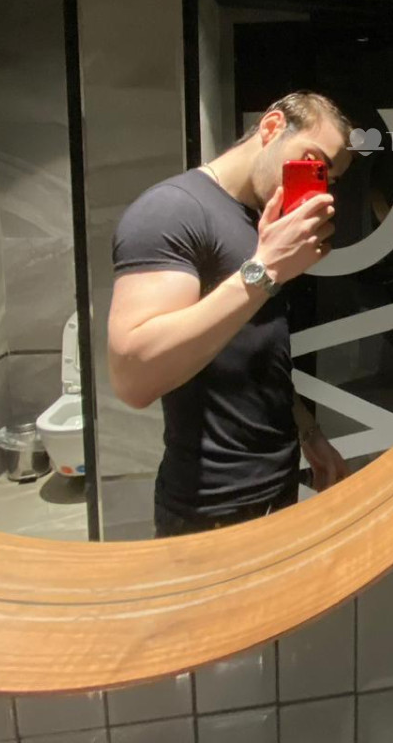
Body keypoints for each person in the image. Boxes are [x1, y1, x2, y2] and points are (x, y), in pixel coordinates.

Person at [106, 90, 355, 537]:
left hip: (277, 485)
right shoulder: (173, 210)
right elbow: (133, 377)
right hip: (211, 509)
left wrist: (308, 432)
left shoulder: (259, 223)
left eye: (328, 177)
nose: (320, 184)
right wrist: (266, 271)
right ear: (272, 127)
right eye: (312, 162)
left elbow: (255, 350)